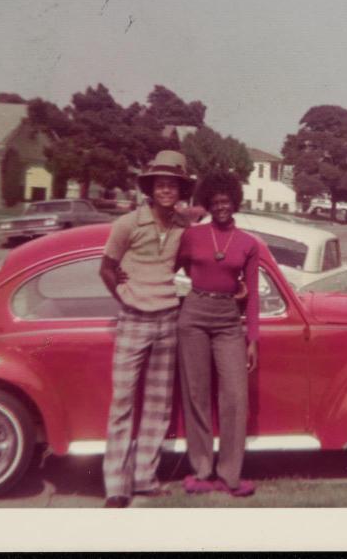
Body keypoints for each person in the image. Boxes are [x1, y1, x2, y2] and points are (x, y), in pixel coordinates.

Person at [99, 150, 194, 508]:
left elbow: (190, 262)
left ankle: (144, 478)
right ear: (151, 187)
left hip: (167, 319)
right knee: (122, 401)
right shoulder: (127, 224)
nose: (167, 189)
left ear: (180, 190)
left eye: (174, 184)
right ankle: (116, 486)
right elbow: (106, 268)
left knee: (157, 404)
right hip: (133, 319)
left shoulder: (182, 228)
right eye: (161, 183)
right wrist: (124, 296)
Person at [175, 170, 259, 497]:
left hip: (228, 319)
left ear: (235, 202)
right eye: (215, 201)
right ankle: (201, 470)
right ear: (208, 203)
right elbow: (177, 267)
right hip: (194, 314)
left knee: (236, 397)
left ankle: (230, 474)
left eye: (227, 201)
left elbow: (250, 294)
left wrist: (253, 339)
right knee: (196, 395)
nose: (221, 206)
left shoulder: (248, 244)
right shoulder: (193, 236)